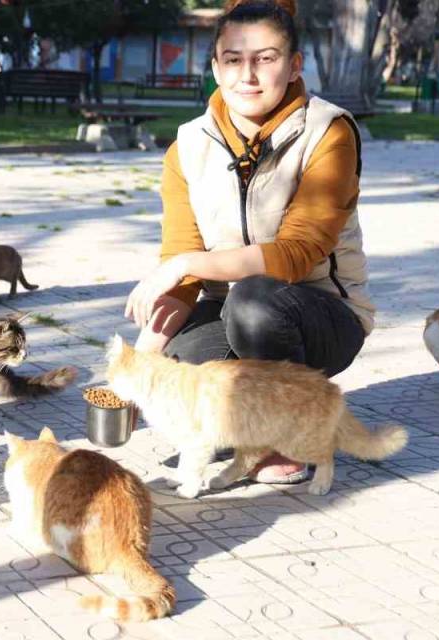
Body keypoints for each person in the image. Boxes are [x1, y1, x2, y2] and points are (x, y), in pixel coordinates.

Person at [124, 0, 374, 484]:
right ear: (216, 68)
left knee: (255, 304)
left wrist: (185, 264)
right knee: (179, 363)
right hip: (233, 310)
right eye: (234, 59)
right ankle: (246, 422)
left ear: (294, 65)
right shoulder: (188, 146)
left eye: (266, 58)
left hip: (319, 316)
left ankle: (287, 436)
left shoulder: (329, 131)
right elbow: (182, 269)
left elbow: (296, 254)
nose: (248, 75)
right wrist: (138, 369)